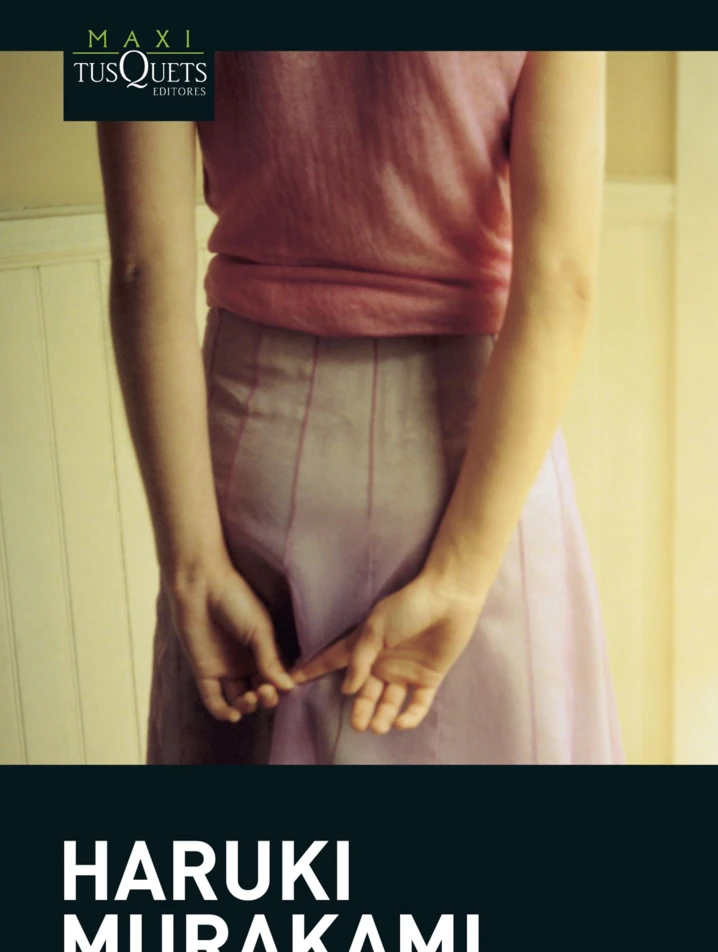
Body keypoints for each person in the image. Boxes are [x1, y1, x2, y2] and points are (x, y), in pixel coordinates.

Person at [97, 50, 623, 765]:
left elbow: (141, 265)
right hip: (477, 468)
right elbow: (563, 281)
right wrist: (461, 578)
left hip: (246, 461)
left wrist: (192, 565)